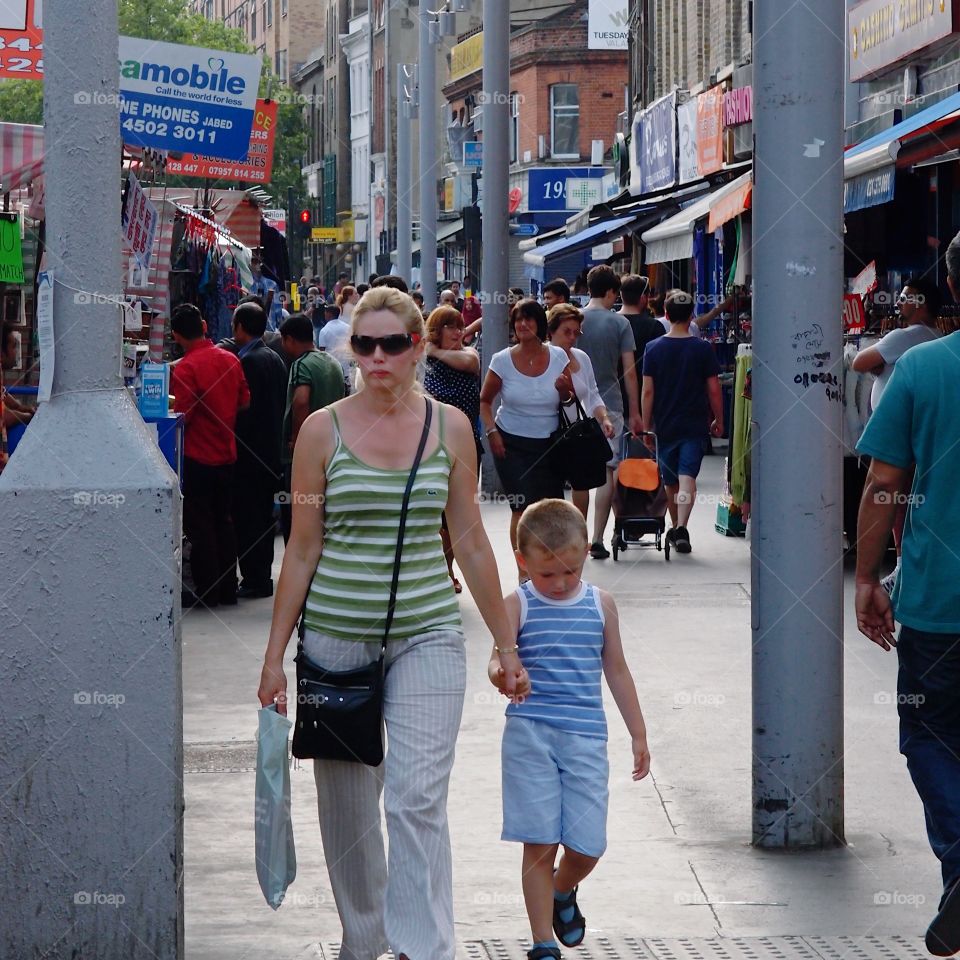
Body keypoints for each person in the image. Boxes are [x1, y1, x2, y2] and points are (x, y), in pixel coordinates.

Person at [258, 286, 529, 960]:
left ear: (418, 348)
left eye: (393, 344)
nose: (378, 357)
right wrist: (272, 655)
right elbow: (301, 546)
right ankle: (365, 938)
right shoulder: (320, 430)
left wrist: (506, 643)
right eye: (365, 344)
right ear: (353, 349)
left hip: (428, 632)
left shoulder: (451, 428)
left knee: (414, 800)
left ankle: (422, 947)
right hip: (334, 642)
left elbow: (469, 538)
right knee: (349, 816)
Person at [855, 239, 960, 957]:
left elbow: (883, 484)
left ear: (950, 283)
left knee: (928, 737)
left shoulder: (921, 368)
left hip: (937, 603)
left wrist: (866, 578)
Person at [488, 499, 650, 960]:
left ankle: (563, 888)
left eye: (570, 573)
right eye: (547, 574)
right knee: (539, 842)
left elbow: (617, 670)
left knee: (587, 847)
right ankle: (542, 944)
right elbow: (497, 660)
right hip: (529, 736)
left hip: (585, 741)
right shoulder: (516, 604)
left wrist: (638, 733)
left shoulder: (602, 605)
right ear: (523, 561)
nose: (559, 584)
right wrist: (504, 675)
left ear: (584, 556)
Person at [852, 275, 942, 592]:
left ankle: (901, 569)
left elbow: (860, 362)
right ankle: (907, 566)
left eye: (906, 297)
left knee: (894, 497)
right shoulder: (933, 335)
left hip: (898, 432)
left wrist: (864, 581)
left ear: (921, 303)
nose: (899, 302)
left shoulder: (906, 336)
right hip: (922, 428)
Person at [479, 299, 573, 576]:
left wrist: (565, 390)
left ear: (539, 323)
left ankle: (551, 565)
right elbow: (484, 401)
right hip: (511, 443)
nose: (522, 324)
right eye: (518, 319)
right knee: (521, 508)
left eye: (529, 318)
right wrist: (492, 432)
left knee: (551, 510)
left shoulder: (558, 357)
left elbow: (568, 400)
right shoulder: (501, 360)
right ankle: (524, 571)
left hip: (550, 444)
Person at [170, 304, 251, 608]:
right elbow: (245, 401)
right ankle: (229, 588)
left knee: (200, 525)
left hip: (197, 456)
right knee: (224, 521)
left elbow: (183, 415)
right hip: (227, 453)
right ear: (204, 325)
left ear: (176, 335)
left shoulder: (186, 368)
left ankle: (210, 591)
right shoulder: (230, 359)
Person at [641, 290, 723, 555]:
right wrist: (719, 419)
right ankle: (682, 527)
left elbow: (648, 391)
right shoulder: (702, 349)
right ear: (691, 317)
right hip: (695, 423)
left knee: (670, 480)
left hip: (665, 425)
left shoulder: (653, 349)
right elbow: (713, 389)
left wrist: (645, 424)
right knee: (688, 478)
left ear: (666, 314)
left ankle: (676, 525)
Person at [574, 265, 643, 559]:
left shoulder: (573, 320)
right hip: (610, 404)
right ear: (612, 292)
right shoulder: (619, 324)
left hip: (575, 403)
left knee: (579, 476)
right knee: (606, 471)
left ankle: (577, 539)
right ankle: (598, 538)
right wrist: (635, 411)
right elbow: (629, 372)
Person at [228, 302, 287, 599]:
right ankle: (259, 576)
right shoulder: (273, 357)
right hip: (268, 451)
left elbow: (248, 412)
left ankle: (255, 578)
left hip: (252, 454)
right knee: (261, 517)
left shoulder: (250, 362)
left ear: (240, 327)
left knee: (251, 519)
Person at [422, 305, 482, 593]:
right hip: (430, 448)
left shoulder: (469, 356)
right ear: (437, 330)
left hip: (466, 447)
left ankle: (447, 571)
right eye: (450, 326)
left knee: (459, 515)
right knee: (433, 515)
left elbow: (471, 366)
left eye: (460, 326)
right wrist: (430, 354)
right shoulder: (423, 362)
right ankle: (434, 571)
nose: (458, 331)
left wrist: (434, 351)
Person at [277, 313, 346, 541]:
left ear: (290, 340)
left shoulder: (301, 364)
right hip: (333, 451)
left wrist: (298, 441)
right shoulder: (332, 362)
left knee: (297, 516)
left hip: (305, 456)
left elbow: (301, 400)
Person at [547, 304, 614, 521]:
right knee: (551, 487)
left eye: (577, 332)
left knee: (581, 482)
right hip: (548, 433)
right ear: (551, 331)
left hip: (577, 432)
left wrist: (604, 418)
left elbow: (593, 393)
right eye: (567, 332)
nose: (573, 337)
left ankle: (580, 532)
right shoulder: (543, 358)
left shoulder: (581, 357)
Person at [317, 297, 355, 394]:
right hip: (346, 368)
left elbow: (322, 352)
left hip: (331, 369)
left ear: (329, 314)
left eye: (326, 312)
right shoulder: (348, 327)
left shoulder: (324, 331)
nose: (324, 314)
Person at [249, 255, 284, 332]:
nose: (257, 264)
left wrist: (280, 325)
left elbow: (278, 308)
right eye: (254, 261)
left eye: (258, 262)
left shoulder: (272, 284)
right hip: (251, 329)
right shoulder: (246, 284)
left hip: (269, 329)